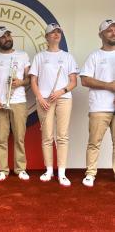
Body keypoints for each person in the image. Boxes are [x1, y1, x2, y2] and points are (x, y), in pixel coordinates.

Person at [30, 23, 78, 187]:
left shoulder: (68, 57)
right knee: (47, 136)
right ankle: (49, 170)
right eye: (53, 32)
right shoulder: (39, 57)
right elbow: (33, 81)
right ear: (46, 37)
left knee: (62, 135)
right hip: (45, 100)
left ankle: (62, 172)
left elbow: (73, 82)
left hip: (64, 98)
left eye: (58, 32)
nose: (56, 34)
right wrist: (40, 98)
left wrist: (61, 91)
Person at [0, 26, 30, 181]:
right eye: (3, 37)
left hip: (18, 102)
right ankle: (3, 170)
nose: (7, 38)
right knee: (2, 138)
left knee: (19, 137)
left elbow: (30, 79)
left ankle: (20, 169)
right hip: (0, 103)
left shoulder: (23, 55)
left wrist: (21, 82)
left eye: (8, 35)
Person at [80, 19, 115, 187]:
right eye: (109, 30)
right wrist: (109, 86)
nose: (113, 32)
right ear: (101, 35)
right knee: (94, 142)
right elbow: (85, 80)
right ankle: (90, 174)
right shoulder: (94, 56)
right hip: (100, 107)